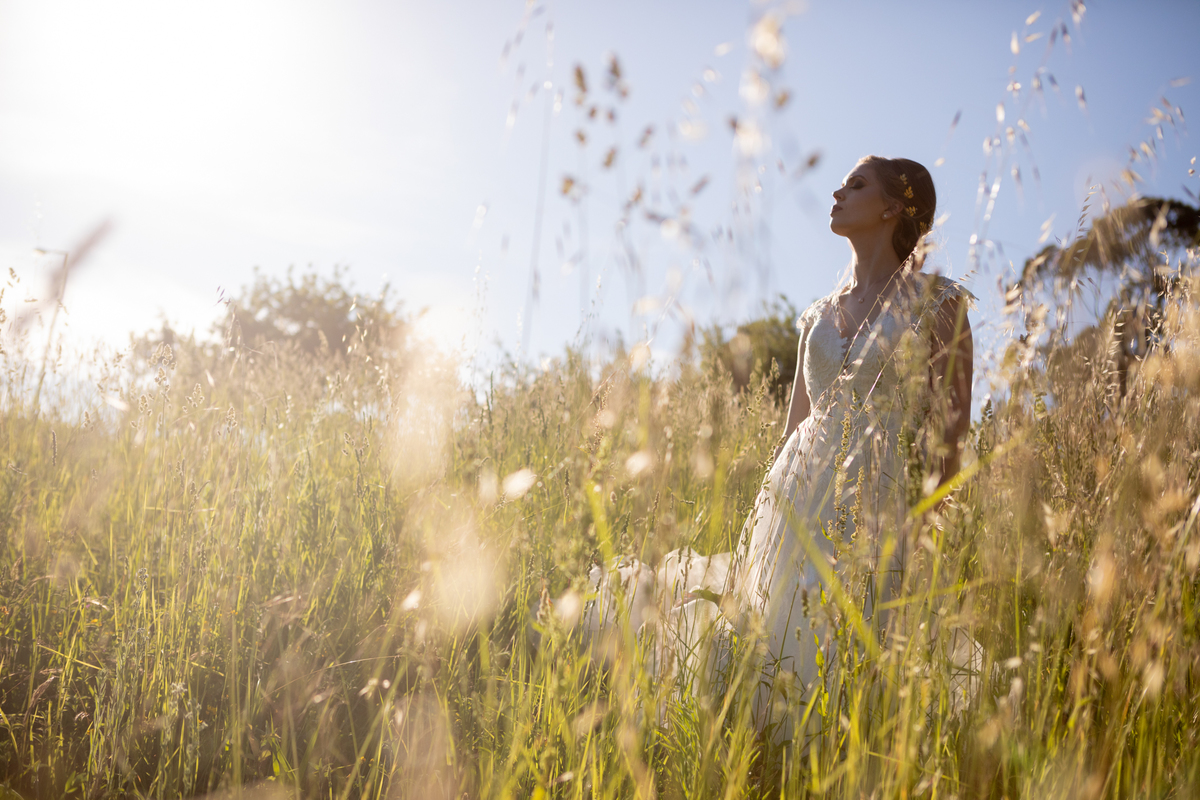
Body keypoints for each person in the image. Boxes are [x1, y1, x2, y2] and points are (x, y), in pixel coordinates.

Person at [588, 155, 976, 737]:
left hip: (879, 491)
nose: (839, 191)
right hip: (798, 489)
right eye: (844, 181)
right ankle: (765, 750)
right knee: (776, 631)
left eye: (857, 184)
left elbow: (951, 435)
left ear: (893, 207)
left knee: (855, 642)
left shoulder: (939, 302)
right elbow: (795, 424)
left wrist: (924, 531)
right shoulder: (818, 315)